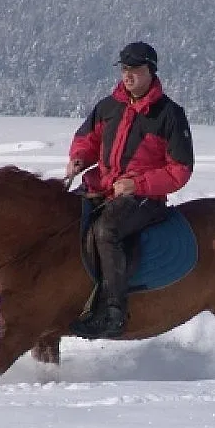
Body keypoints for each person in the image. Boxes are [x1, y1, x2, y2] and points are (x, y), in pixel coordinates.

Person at [66, 42, 194, 337]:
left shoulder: (169, 114)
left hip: (146, 198)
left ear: (151, 71)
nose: (128, 75)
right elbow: (87, 139)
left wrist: (137, 184)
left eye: (135, 69)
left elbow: (180, 170)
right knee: (62, 219)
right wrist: (79, 158)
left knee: (106, 230)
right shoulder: (108, 107)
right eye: (125, 69)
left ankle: (113, 312)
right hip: (102, 187)